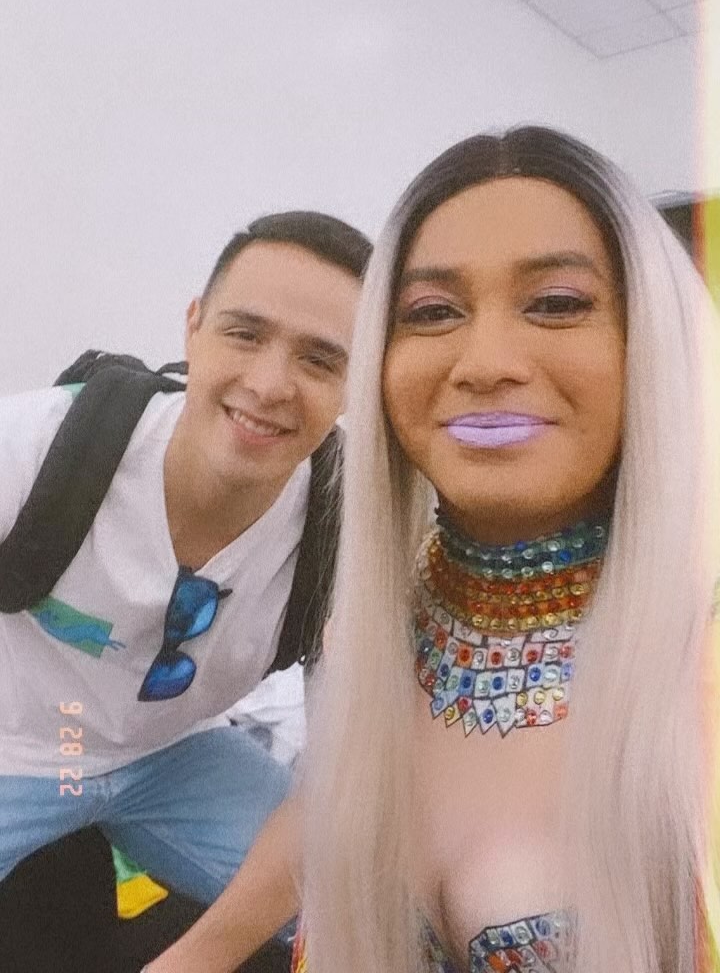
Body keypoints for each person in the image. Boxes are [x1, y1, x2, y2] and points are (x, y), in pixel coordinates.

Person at [149, 127, 720, 973]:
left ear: (656, 337)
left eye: (556, 303)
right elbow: (334, 808)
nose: (484, 363)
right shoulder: (378, 621)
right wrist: (193, 957)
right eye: (431, 313)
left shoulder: (695, 654)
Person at [0, 211, 370, 929]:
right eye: (245, 334)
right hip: (16, 746)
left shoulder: (345, 527)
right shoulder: (41, 446)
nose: (269, 384)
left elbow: (351, 768)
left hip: (171, 757)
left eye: (320, 360)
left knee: (366, 910)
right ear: (193, 328)